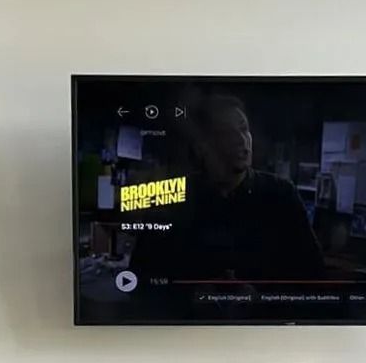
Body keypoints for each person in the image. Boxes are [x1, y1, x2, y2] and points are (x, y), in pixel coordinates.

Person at [133, 94, 327, 283]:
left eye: (244, 129)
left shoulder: (281, 195)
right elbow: (140, 283)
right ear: (202, 146)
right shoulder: (173, 198)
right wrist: (193, 298)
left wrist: (260, 300)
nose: (242, 140)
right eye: (227, 133)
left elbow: (314, 278)